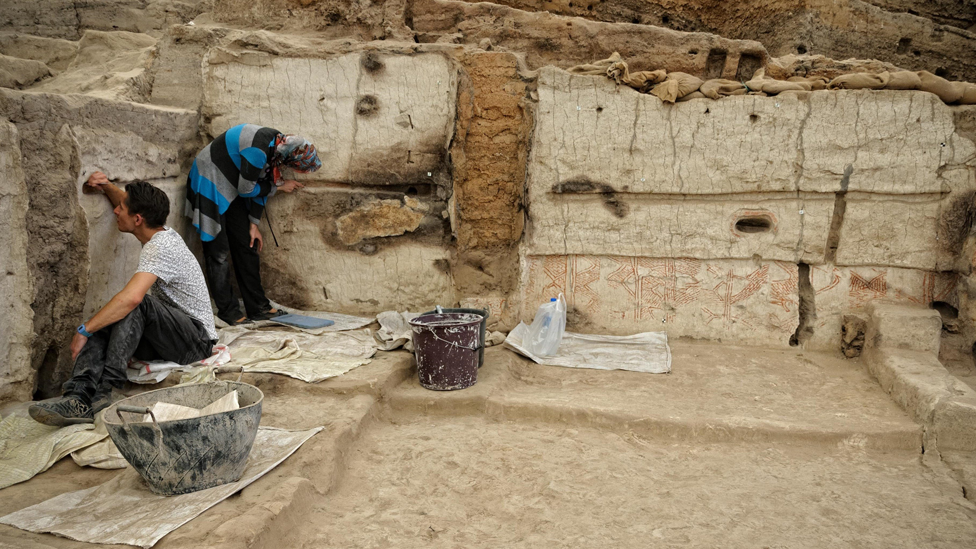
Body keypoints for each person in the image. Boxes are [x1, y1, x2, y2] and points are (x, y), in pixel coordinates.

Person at [29, 173, 218, 427]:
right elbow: (131, 204)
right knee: (106, 317)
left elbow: (132, 299)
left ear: (137, 219)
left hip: (196, 340)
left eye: (121, 209)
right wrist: (106, 186)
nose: (116, 211)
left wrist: (83, 330)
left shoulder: (161, 247)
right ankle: (78, 399)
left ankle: (106, 390)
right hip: (170, 336)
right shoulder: (153, 226)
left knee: (132, 303)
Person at [185, 123, 322, 326]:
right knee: (218, 253)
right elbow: (248, 190)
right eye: (291, 166)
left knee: (247, 245)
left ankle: (258, 307)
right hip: (210, 180)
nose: (287, 170)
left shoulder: (276, 148)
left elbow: (262, 182)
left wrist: (253, 224)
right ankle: (229, 312)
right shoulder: (258, 151)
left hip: (233, 185)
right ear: (288, 157)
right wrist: (279, 186)